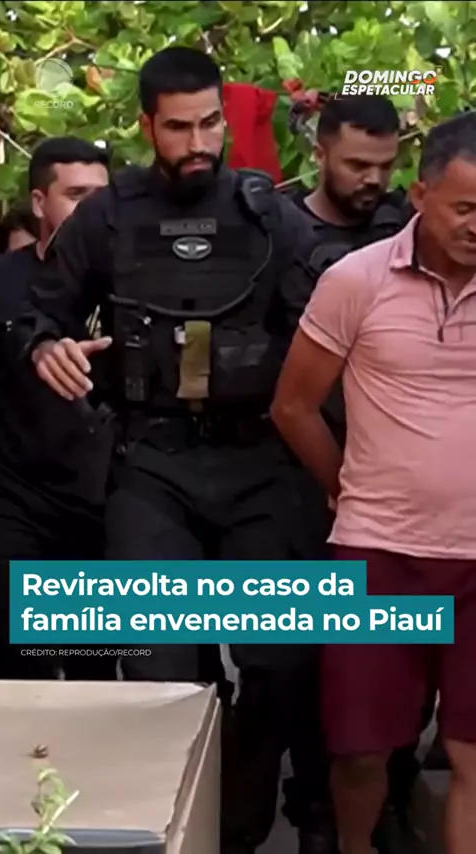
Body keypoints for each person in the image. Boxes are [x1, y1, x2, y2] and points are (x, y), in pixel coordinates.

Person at [14, 47, 329, 854]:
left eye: (210, 124)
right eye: (179, 128)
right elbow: (41, 307)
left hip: (259, 463)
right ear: (147, 126)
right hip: (153, 461)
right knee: (160, 666)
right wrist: (42, 344)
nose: (198, 143)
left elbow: (332, 315)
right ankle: (184, 819)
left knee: (281, 662)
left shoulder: (268, 214)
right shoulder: (107, 218)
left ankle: (241, 811)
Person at [271, 109, 476, 854]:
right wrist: (344, 486)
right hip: (379, 553)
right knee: (360, 751)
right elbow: (293, 405)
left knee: (471, 755)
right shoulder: (355, 280)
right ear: (419, 196)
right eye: (465, 208)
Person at [285, 94, 428, 853]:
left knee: (400, 664)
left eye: (386, 165)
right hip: (305, 472)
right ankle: (318, 811)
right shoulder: (281, 232)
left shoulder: (415, 228)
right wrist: (335, 482)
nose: (373, 180)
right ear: (319, 154)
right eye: (356, 165)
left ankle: (390, 804)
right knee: (316, 664)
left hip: (399, 488)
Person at [0, 136, 114, 680]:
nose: (92, 211)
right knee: (23, 669)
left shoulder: (131, 282)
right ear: (40, 202)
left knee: (98, 670)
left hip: (107, 505)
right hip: (17, 501)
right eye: (76, 195)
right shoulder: (4, 280)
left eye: (101, 196)